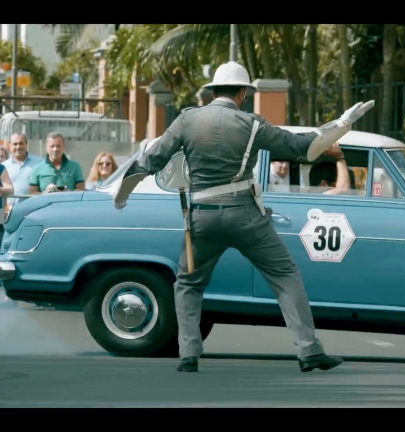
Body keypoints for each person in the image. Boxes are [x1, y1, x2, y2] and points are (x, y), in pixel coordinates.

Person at [111, 61, 374, 373]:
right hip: (245, 216)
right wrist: (342, 123)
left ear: (213, 92)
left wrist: (123, 189)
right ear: (242, 94)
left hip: (203, 216)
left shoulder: (187, 119)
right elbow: (303, 147)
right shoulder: (252, 124)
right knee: (285, 276)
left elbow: (152, 157)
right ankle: (308, 350)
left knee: (188, 283)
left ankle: (188, 353)